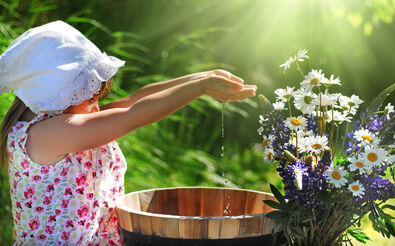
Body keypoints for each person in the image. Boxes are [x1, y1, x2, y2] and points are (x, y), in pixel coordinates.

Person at [0, 20, 256, 245]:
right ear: (62, 93)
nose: (97, 108)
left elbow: (135, 100)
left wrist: (202, 77)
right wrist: (200, 87)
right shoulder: (48, 134)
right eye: (90, 98)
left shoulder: (63, 122)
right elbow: (133, 116)